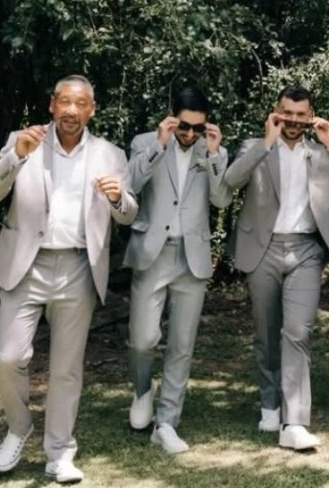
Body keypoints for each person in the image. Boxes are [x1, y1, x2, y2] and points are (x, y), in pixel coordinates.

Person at [0, 75, 137, 482]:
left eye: (80, 103)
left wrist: (118, 198)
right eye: (64, 102)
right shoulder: (23, 140)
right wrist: (16, 157)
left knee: (67, 368)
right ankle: (19, 427)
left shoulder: (110, 153)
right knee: (9, 357)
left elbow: (129, 214)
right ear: (52, 105)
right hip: (25, 265)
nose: (71, 110)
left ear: (92, 109)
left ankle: (60, 452)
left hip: (78, 268)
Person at [223, 86, 329, 450]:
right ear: (276, 111)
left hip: (306, 251)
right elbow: (231, 181)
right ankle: (270, 402)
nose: (294, 121)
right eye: (288, 113)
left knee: (297, 331)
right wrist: (266, 143)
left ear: (310, 116)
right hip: (263, 248)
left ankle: (294, 422)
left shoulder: (320, 153)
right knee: (267, 332)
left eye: (302, 115)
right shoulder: (255, 147)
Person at [124, 87, 232, 453]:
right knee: (142, 339)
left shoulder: (213, 151)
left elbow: (221, 199)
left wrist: (214, 154)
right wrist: (159, 144)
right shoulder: (145, 143)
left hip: (193, 255)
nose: (189, 134)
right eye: (184, 126)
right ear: (172, 116)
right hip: (153, 253)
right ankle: (142, 391)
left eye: (198, 129)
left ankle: (167, 422)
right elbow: (129, 186)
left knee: (182, 344)